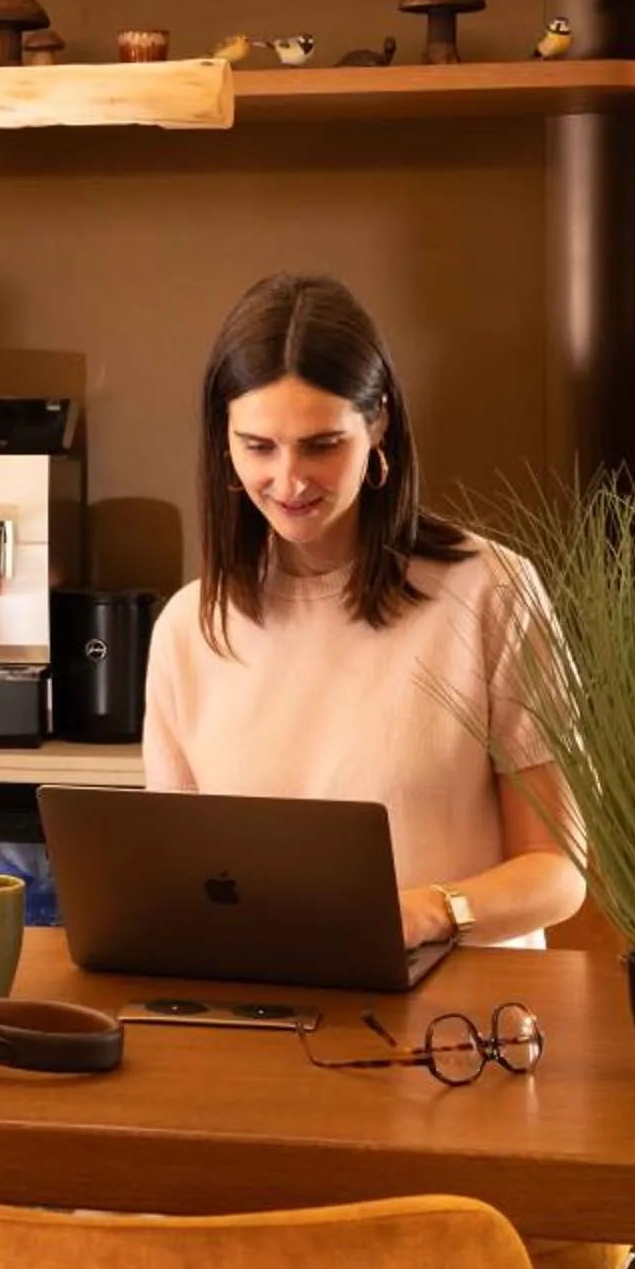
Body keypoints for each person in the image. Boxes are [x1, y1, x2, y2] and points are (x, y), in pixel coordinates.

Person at [142, 272, 586, 952]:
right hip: (271, 1010)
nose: (288, 481)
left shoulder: (490, 591)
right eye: (258, 446)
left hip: (459, 1027)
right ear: (223, 440)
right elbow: (176, 879)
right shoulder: (188, 627)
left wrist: (427, 913)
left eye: (321, 445)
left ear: (377, 423)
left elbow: (557, 875)